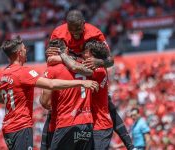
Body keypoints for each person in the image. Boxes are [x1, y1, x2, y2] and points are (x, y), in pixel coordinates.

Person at [46, 9, 134, 150]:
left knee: (104, 105)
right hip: (72, 75)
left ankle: (131, 145)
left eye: (78, 29)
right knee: (54, 109)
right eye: (71, 30)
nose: (75, 33)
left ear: (84, 23)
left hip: (92, 72)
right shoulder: (58, 33)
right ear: (66, 25)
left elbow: (110, 60)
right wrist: (74, 60)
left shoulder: (95, 33)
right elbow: (50, 58)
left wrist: (98, 62)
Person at [0, 36, 99, 150]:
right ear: (19, 53)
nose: (26, 51)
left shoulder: (3, 74)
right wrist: (81, 83)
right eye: (25, 49)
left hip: (8, 127)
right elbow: (51, 84)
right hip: (21, 125)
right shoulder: (23, 72)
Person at [40, 39, 98, 150]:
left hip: (66, 123)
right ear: (66, 50)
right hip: (87, 123)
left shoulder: (52, 69)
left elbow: (45, 102)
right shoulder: (84, 65)